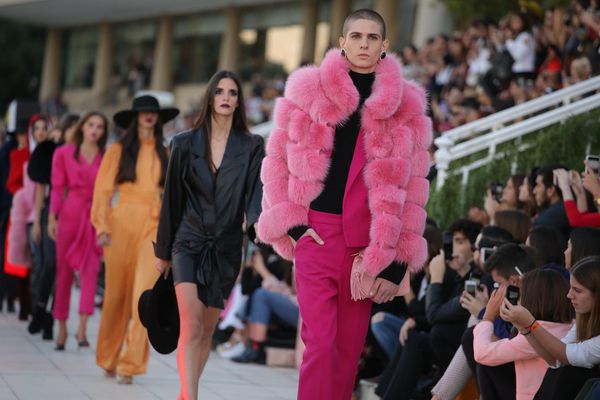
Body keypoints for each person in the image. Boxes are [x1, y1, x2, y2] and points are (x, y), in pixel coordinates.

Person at [257, 9, 432, 400]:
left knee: (347, 353)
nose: (363, 44)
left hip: (366, 245)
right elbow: (277, 161)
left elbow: (415, 187)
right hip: (316, 233)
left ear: (384, 45)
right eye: (356, 36)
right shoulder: (307, 90)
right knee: (319, 344)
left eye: (372, 37)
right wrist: (294, 225)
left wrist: (399, 260)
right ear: (342, 42)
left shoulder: (406, 106)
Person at [154, 70, 264, 400]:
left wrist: (256, 226)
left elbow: (256, 194)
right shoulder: (184, 143)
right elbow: (171, 200)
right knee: (191, 324)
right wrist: (163, 251)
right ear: (210, 98)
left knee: (206, 330)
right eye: (219, 92)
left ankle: (186, 393)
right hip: (187, 242)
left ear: (239, 101)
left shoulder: (252, 146)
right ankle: (191, 396)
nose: (226, 97)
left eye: (232, 92)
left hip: (227, 247)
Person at [91, 95, 179, 384]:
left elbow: (173, 194)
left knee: (146, 295)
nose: (149, 116)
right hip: (121, 223)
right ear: (135, 117)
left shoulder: (166, 151)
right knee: (115, 296)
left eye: (153, 112)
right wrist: (102, 226)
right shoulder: (117, 150)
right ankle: (108, 357)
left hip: (153, 225)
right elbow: (103, 190)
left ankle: (130, 365)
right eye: (143, 112)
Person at [501, 256, 600, 398]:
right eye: (570, 288)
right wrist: (524, 328)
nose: (569, 295)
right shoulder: (582, 320)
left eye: (577, 290)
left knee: (568, 374)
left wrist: (531, 323)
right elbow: (555, 360)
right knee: (559, 372)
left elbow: (565, 356)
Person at [48, 112, 107, 350]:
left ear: (104, 131)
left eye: (100, 126)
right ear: (82, 127)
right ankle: (61, 326)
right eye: (91, 124)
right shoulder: (63, 153)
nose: (94, 130)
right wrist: (52, 217)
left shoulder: (106, 156)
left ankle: (82, 328)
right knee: (63, 272)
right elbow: (56, 187)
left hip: (95, 217)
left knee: (91, 270)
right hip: (70, 215)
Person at [474, 269, 573, 400]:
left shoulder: (540, 330)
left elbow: (483, 354)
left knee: (482, 361)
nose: (518, 301)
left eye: (521, 295)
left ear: (532, 300)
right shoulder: (571, 325)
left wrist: (488, 317)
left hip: (536, 396)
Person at [27, 113, 79, 338]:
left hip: (75, 214)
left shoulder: (84, 154)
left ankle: (51, 316)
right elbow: (41, 188)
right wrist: (37, 221)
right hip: (51, 212)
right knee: (50, 263)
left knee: (63, 269)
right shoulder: (52, 151)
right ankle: (40, 306)